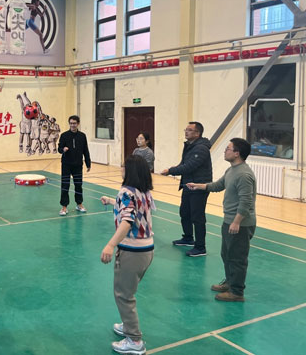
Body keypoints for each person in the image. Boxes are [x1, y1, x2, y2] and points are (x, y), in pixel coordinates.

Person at [187, 138, 256, 302]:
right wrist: (199, 185)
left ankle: (237, 292)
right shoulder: (232, 170)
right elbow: (218, 185)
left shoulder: (244, 175)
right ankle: (230, 282)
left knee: (237, 258)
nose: (225, 151)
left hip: (240, 224)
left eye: (228, 148)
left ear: (237, 153)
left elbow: (246, 201)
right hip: (229, 220)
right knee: (226, 254)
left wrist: (237, 221)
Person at [100, 155, 155, 355]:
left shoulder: (126, 191)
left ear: (130, 171)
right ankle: (128, 324)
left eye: (124, 166)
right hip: (147, 250)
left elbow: (127, 220)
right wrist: (111, 201)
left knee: (124, 295)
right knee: (128, 292)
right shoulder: (143, 191)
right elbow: (134, 209)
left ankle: (134, 340)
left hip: (132, 251)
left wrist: (110, 245)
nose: (121, 168)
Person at [161, 121, 212, 257]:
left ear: (197, 133)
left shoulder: (201, 148)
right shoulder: (190, 146)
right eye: (186, 129)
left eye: (189, 130)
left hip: (199, 187)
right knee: (185, 213)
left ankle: (200, 247)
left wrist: (170, 171)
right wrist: (174, 168)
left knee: (197, 217)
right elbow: (184, 163)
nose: (186, 132)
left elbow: (190, 166)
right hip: (188, 185)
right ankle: (188, 238)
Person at [58, 115, 91, 216]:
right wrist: (63, 149)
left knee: (78, 185)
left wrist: (88, 163)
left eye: (74, 123)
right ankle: (64, 207)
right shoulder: (64, 135)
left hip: (78, 165)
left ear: (78, 124)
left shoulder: (82, 136)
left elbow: (85, 150)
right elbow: (59, 149)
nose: (73, 125)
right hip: (66, 165)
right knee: (65, 185)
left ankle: (79, 204)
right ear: (69, 124)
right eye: (71, 123)